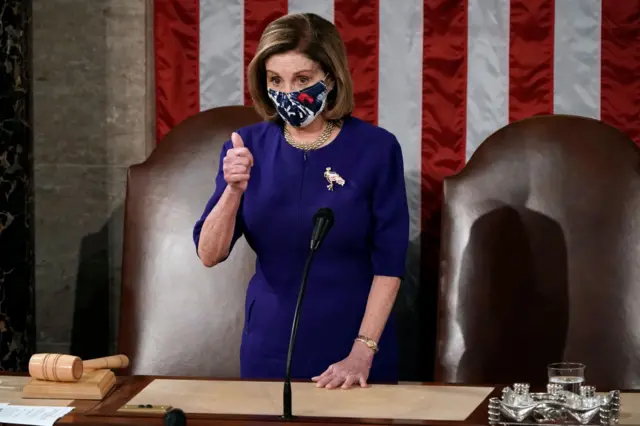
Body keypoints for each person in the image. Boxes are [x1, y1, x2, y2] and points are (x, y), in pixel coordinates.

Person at [193, 13, 409, 389]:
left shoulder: (377, 149)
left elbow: (390, 263)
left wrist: (363, 351)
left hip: (355, 350)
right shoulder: (246, 147)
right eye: (276, 80)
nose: (288, 92)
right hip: (270, 349)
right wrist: (232, 190)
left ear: (331, 76)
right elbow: (209, 254)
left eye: (302, 79)